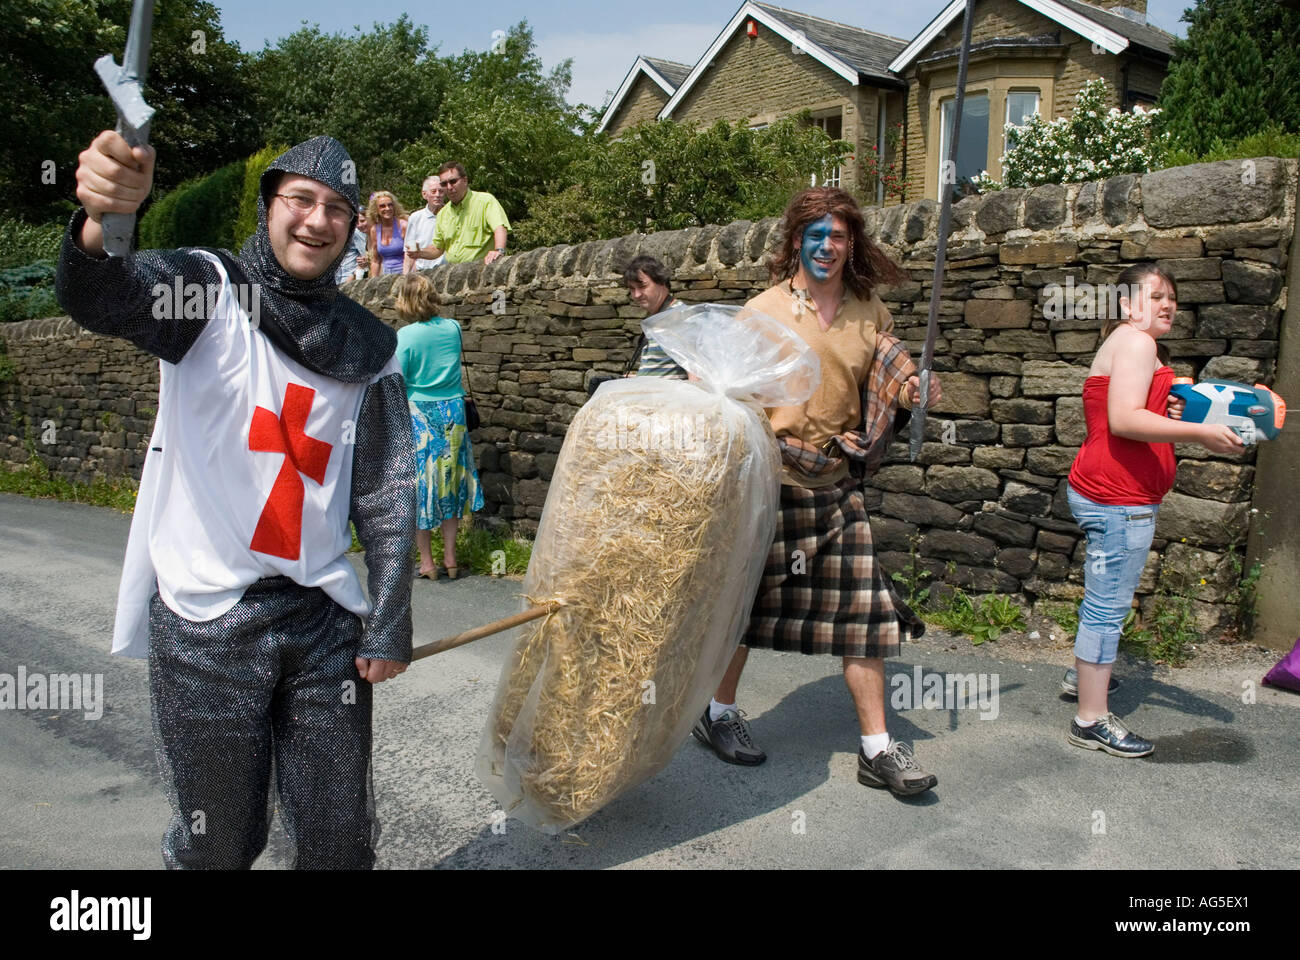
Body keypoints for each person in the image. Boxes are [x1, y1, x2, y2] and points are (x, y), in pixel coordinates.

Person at [57, 131, 416, 869]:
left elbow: (385, 492)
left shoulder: (370, 349)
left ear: (353, 229)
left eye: (338, 210)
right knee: (218, 840)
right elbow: (105, 295)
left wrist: (386, 622)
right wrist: (102, 224)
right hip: (205, 621)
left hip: (320, 622)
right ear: (268, 207)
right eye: (301, 200)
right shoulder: (209, 291)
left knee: (339, 842)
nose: (317, 221)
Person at [691, 186, 945, 797]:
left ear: (850, 242)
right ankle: (716, 713)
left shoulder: (867, 309)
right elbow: (724, 379)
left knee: (865, 613)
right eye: (816, 235)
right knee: (746, 610)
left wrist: (918, 391)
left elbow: (896, 373)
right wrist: (705, 377)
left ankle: (877, 749)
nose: (827, 246)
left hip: (835, 482)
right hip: (771, 481)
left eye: (837, 236)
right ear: (796, 241)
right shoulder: (763, 309)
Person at [1063, 263, 1243, 757]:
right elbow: (1123, 420)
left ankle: (1086, 681)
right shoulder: (1138, 343)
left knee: (1103, 597)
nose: (1167, 305)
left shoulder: (1129, 342)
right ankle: (1090, 719)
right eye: (1155, 296)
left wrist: (1168, 409)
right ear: (1126, 304)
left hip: (1106, 489)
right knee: (1108, 606)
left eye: (1172, 298)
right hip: (1118, 497)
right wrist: (1203, 433)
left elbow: (1126, 409)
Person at [394, 272, 484, 580]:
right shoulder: (453, 328)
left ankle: (427, 562)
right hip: (454, 411)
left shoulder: (405, 336)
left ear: (406, 300)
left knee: (422, 486)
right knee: (450, 484)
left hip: (419, 413)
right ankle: (450, 558)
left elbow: (398, 379)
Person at [424, 162, 510, 265]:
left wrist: (499, 251)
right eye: (444, 184)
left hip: (481, 270)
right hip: (453, 273)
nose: (449, 187)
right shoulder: (442, 214)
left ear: (465, 180)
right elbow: (438, 248)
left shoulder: (485, 201)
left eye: (453, 181)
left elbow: (499, 227)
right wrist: (419, 253)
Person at [623, 254, 686, 379]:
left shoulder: (680, 317)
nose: (636, 295)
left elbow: (697, 375)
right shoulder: (660, 317)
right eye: (632, 289)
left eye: (642, 286)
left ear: (661, 281)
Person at [404, 175, 447, 272]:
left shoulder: (452, 215)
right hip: (422, 272)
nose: (438, 195)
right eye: (433, 191)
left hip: (446, 271)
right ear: (424, 194)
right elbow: (409, 250)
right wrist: (405, 276)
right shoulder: (415, 218)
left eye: (441, 191)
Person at [367, 191, 408, 275]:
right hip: (385, 273)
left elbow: (411, 256)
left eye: (390, 205)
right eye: (382, 206)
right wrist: (373, 282)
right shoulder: (374, 230)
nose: (387, 208)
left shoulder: (403, 226)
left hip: (404, 271)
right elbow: (376, 260)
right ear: (376, 209)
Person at [336, 210, 369, 284]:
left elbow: (365, 255)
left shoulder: (356, 232)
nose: (360, 225)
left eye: (362, 221)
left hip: (347, 277)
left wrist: (353, 276)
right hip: (337, 277)